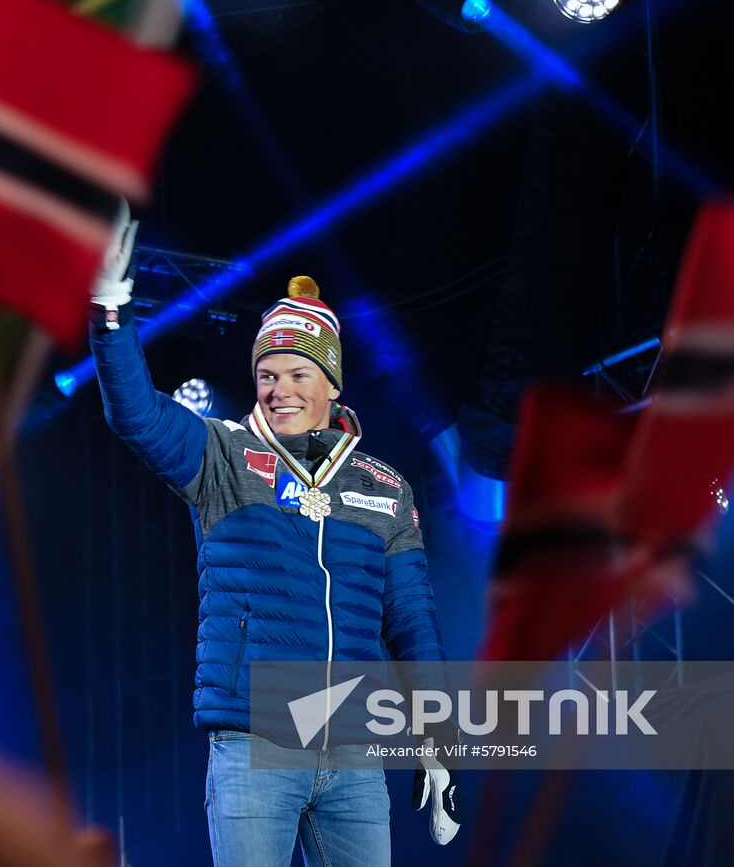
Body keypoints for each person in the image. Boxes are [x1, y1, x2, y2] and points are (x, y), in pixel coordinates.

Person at [89, 206, 461, 866]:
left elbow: (411, 618)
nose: (279, 390)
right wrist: (111, 312)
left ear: (332, 383)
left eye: (298, 374)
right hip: (254, 742)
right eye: (267, 374)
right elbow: (137, 415)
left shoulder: (384, 486)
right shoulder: (223, 456)